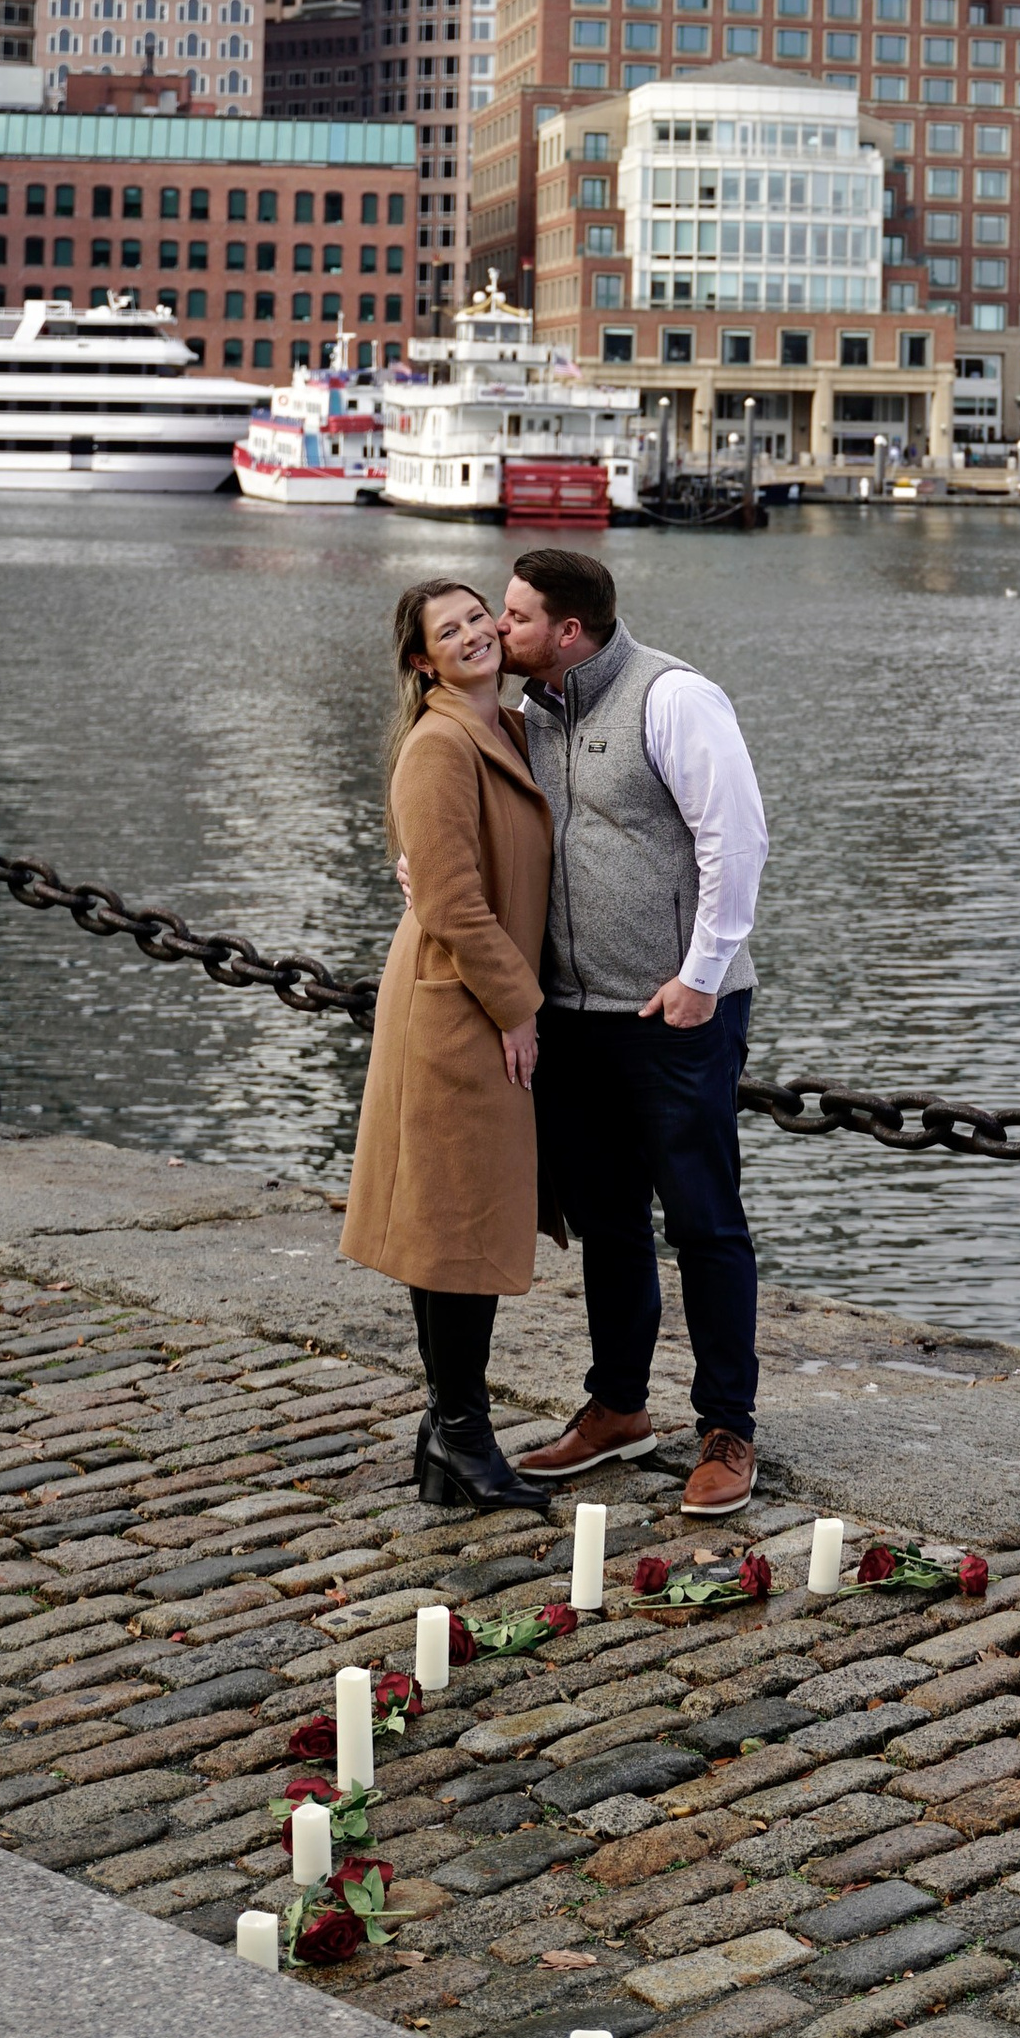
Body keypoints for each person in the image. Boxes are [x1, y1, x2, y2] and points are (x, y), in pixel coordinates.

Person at [495, 544, 769, 1518]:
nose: (499, 627)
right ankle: (617, 1408)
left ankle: (727, 1427)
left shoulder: (673, 698)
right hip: (573, 1015)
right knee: (608, 1224)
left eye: (516, 616)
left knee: (703, 1221)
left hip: (672, 1013)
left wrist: (700, 978)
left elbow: (735, 836)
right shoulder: (531, 711)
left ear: (568, 631)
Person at [339, 577, 553, 1513]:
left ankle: (448, 1431)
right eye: (450, 630)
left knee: (458, 1221)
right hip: (458, 1004)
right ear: (422, 659)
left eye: (480, 618)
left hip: (472, 994)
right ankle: (462, 1433)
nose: (473, 634)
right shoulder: (438, 743)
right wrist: (517, 1008)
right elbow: (455, 901)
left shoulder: (504, 724)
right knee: (457, 1226)